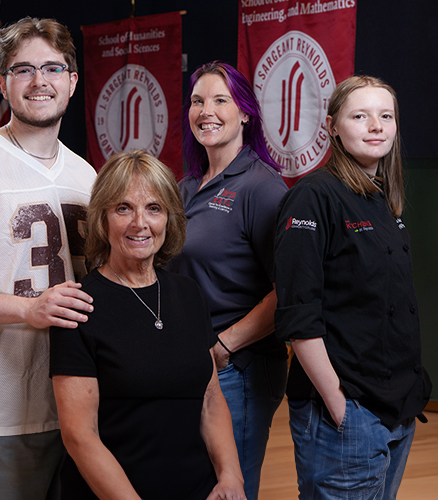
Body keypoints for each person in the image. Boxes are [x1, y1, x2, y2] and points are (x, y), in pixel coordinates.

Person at [0, 17, 97, 499]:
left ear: (72, 80)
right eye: (22, 69)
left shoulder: (86, 176)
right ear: (3, 81)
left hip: (77, 403)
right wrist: (28, 310)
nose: (39, 81)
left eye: (53, 68)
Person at [50, 149, 245, 500]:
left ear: (169, 218)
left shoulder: (188, 294)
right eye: (123, 208)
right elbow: (80, 436)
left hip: (196, 490)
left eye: (153, 208)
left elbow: (211, 400)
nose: (140, 223)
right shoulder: (78, 307)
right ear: (102, 219)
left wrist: (231, 478)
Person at [274, 75, 432, 499]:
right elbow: (298, 314)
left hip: (396, 406)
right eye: (360, 116)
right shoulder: (313, 196)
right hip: (347, 413)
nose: (376, 126)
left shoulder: (381, 195)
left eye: (386, 116)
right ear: (332, 127)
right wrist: (341, 407)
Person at [166, 61, 289, 500]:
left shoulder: (262, 187)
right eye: (198, 101)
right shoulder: (185, 187)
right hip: (192, 364)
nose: (207, 111)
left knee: (229, 487)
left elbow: (290, 290)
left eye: (221, 100)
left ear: (246, 113)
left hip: (239, 368)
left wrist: (226, 344)